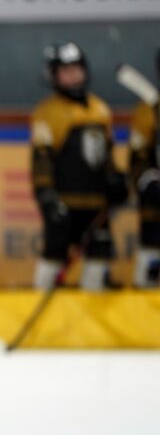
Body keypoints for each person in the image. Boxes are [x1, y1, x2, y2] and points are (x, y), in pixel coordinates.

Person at [30, 42, 126, 290]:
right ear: (54, 76)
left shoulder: (100, 110)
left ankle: (92, 309)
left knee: (98, 260)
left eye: (76, 69)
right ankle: (41, 304)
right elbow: (41, 159)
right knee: (54, 257)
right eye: (65, 71)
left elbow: (105, 156)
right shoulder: (47, 112)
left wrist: (116, 180)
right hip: (64, 204)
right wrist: (46, 196)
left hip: (96, 205)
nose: (72, 75)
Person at [128, 47, 160, 288]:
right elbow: (137, 161)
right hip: (155, 214)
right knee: (149, 282)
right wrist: (149, 182)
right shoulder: (147, 111)